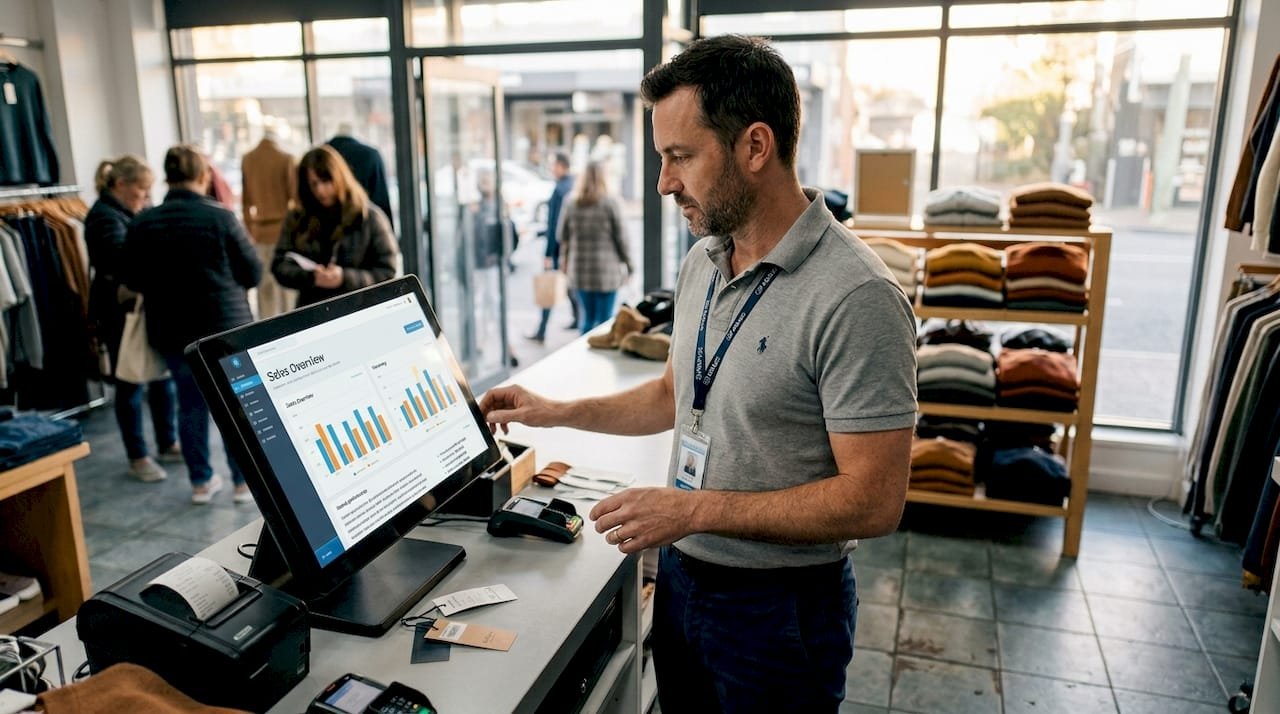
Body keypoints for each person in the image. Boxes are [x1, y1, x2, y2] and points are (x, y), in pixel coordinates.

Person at [480, 35, 916, 713]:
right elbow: (671, 396)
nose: (663, 183)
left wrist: (694, 508)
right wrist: (554, 410)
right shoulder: (704, 261)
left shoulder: (857, 296)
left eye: (680, 156)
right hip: (684, 579)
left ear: (755, 146)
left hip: (781, 613)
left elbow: (874, 500)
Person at [122, 145, 262, 505]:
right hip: (225, 328)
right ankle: (242, 483)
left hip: (172, 329)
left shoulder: (144, 222)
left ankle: (201, 482)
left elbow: (132, 278)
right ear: (203, 176)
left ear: (167, 177)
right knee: (235, 407)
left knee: (189, 404)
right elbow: (253, 272)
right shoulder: (222, 218)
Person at [85, 154, 179, 483]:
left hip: (139, 307)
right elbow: (122, 261)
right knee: (130, 383)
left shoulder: (125, 213)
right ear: (121, 184)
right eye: (141, 190)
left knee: (160, 377)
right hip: (119, 312)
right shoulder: (104, 217)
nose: (146, 197)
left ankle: (167, 442)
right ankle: (138, 456)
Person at [271, 146, 398, 308]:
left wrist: (345, 278)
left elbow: (387, 272)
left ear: (339, 177)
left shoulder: (369, 216)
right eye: (313, 184)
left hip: (359, 310)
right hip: (313, 311)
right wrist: (311, 276)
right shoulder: (297, 217)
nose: (320, 190)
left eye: (326, 181)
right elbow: (279, 265)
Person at [556, 160, 633, 334]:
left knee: (587, 318)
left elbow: (562, 236)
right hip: (606, 272)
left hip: (579, 271)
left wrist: (564, 260)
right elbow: (622, 239)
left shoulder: (571, 202)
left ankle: (584, 349)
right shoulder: (611, 202)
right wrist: (630, 266)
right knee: (605, 321)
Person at [241, 130, 298, 318]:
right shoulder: (286, 158)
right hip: (284, 231)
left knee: (265, 291)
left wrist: (251, 230)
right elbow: (295, 198)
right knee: (287, 292)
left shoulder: (248, 159)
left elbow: (246, 202)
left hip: (259, 232)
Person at [527, 152, 580, 342]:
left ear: (561, 166)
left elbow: (555, 226)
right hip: (570, 248)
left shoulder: (560, 189)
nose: (551, 168)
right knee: (570, 287)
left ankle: (541, 330)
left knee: (550, 287)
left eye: (553, 165)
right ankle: (578, 320)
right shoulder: (572, 185)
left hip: (558, 250)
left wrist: (549, 253)